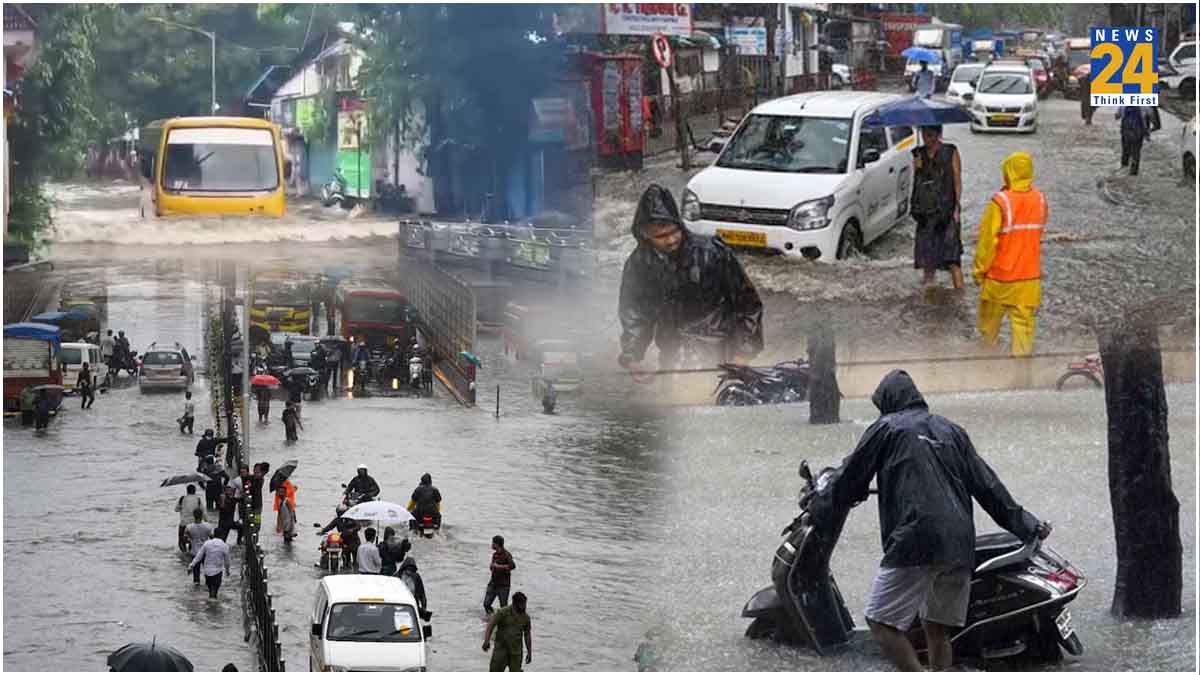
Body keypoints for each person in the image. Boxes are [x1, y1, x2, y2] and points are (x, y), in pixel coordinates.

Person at [808, 370, 1051, 672]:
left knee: (880, 621)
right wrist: (1027, 524)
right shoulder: (951, 430)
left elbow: (850, 479)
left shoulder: (886, 427)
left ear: (887, 401)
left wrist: (820, 504)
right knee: (937, 629)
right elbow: (989, 487)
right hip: (960, 543)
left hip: (917, 537)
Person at [618, 185, 763, 381]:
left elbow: (747, 303)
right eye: (661, 236)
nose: (670, 240)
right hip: (672, 357)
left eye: (673, 232)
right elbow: (635, 312)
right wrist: (633, 357)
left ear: (680, 225)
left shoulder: (712, 252)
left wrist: (743, 353)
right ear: (645, 234)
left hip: (720, 355)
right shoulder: (640, 263)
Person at [973, 151, 1046, 357]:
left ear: (1007, 172)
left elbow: (987, 243)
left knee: (989, 327)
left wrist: (979, 272)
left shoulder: (1000, 202)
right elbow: (1037, 233)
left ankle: (988, 365)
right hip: (1029, 279)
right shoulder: (1040, 200)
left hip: (1000, 278)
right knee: (1023, 329)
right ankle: (1021, 374)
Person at [911, 125, 964, 293]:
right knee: (928, 260)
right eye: (925, 135)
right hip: (926, 213)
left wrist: (956, 208)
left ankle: (960, 298)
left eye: (932, 135)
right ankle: (930, 296)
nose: (928, 139)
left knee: (953, 258)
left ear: (939, 134)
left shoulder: (951, 151)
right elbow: (918, 184)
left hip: (947, 211)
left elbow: (957, 180)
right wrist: (918, 167)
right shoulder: (918, 153)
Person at [482, 592, 532, 672]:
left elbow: (527, 635)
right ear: (515, 603)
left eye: (525, 604)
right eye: (522, 604)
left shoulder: (526, 618)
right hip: (501, 651)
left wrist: (529, 652)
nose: (524, 607)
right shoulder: (503, 612)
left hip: (516, 652)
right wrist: (486, 641)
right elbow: (490, 625)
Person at [189, 531, 233, 599]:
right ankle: (212, 606)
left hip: (207, 571)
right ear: (222, 536)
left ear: (214, 535)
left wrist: (191, 565)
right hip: (217, 572)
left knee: (210, 590)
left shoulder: (207, 543)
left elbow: (199, 556)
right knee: (214, 591)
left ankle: (210, 604)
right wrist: (227, 571)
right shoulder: (224, 546)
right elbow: (227, 561)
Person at [1116, 105, 1151, 176]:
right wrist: (1147, 134)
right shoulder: (1145, 106)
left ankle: (1124, 167)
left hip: (1125, 132)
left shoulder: (1123, 105)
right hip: (1138, 133)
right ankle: (1133, 172)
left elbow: (1117, 116)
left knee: (1125, 151)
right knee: (1136, 152)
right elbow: (1149, 118)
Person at [484, 535, 515, 614]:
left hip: (503, 585)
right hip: (493, 583)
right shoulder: (494, 555)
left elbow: (512, 566)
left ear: (497, 544)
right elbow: (492, 567)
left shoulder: (507, 554)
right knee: (486, 604)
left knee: (503, 607)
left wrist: (499, 567)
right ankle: (492, 618)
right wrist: (491, 566)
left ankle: (503, 622)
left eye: (493, 543)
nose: (491, 545)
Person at [184, 508, 213, 584]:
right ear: (202, 515)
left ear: (194, 516)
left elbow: (185, 539)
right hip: (205, 552)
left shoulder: (189, 527)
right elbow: (212, 537)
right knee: (208, 572)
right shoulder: (207, 526)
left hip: (195, 552)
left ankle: (196, 591)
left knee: (196, 577)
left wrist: (191, 540)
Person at [398, 555, 431, 620]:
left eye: (412, 570)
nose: (410, 572)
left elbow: (422, 594)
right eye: (409, 570)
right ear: (405, 568)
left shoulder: (416, 577)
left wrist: (424, 608)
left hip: (413, 605)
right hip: (400, 605)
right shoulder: (397, 576)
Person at [175, 485, 206, 552]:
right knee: (193, 540)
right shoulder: (198, 499)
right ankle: (190, 553)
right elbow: (203, 511)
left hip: (184, 523)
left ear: (187, 491)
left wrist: (182, 507)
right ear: (194, 491)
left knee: (181, 540)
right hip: (193, 524)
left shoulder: (182, 498)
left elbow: (176, 509)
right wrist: (206, 521)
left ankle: (184, 553)